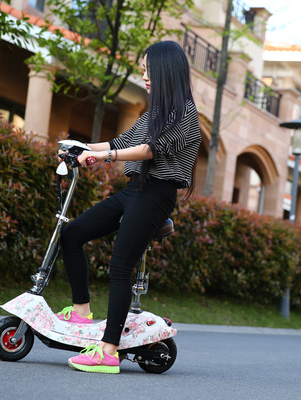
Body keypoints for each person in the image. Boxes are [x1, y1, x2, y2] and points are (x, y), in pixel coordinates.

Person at [57, 40, 201, 374]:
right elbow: (122, 143)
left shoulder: (186, 114)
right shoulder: (154, 113)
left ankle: (108, 351)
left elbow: (150, 150)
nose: (143, 73)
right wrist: (78, 147)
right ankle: (81, 310)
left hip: (156, 195)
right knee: (73, 234)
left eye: (147, 68)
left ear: (164, 70)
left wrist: (102, 156)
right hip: (134, 190)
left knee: (121, 267)